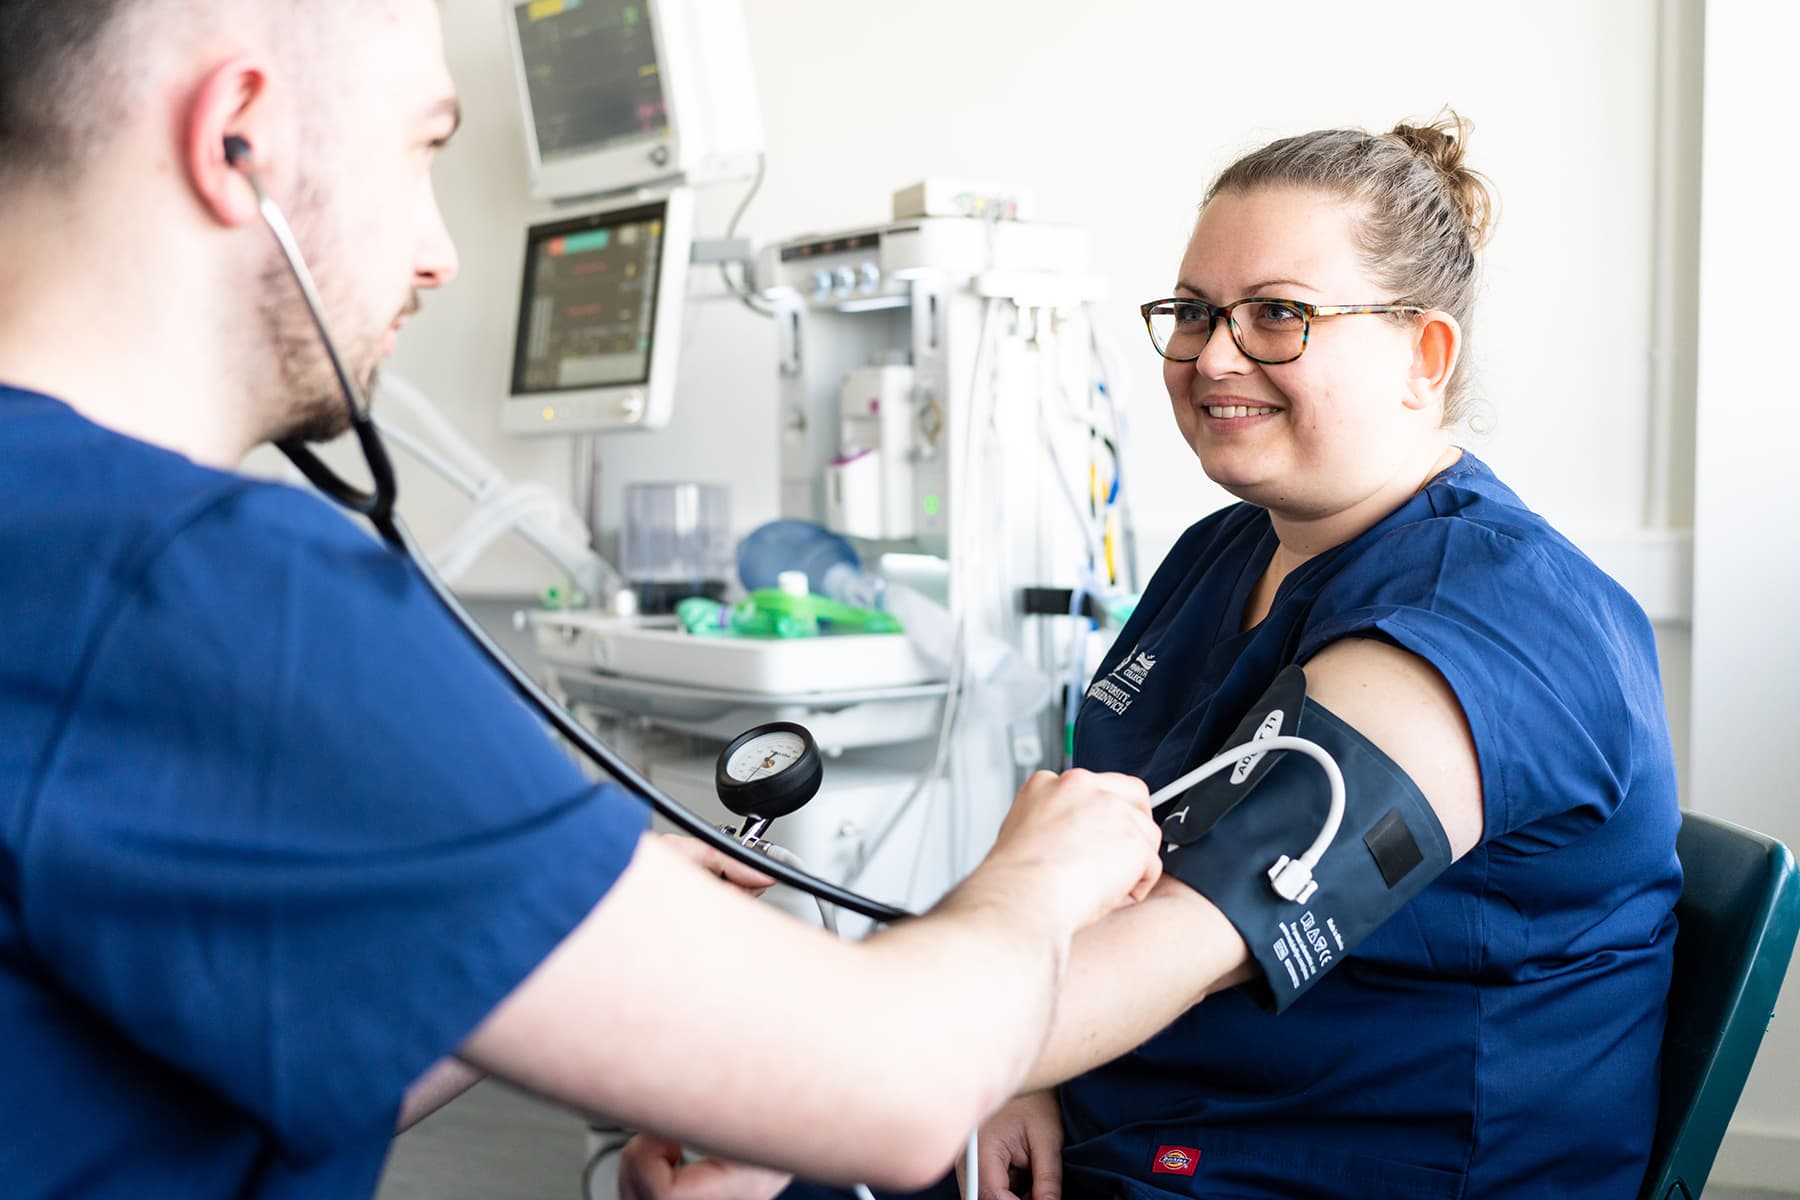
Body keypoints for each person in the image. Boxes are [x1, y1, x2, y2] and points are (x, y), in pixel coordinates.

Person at [0, 3, 1171, 1197]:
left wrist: (544, 933)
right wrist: (1039, 878)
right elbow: (905, 1087)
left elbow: (125, 1084)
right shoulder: (217, 594)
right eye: (426, 151)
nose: (439, 251)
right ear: (235, 135)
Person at [623, 114, 1681, 1200]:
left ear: (1425, 355)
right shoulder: (1225, 554)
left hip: (1330, 1169)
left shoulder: (1493, 624)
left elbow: (1187, 936)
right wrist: (1018, 1075)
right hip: (1138, 1123)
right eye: (1193, 312)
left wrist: (792, 1100)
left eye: (1278, 315)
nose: (1215, 354)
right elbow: (1097, 876)